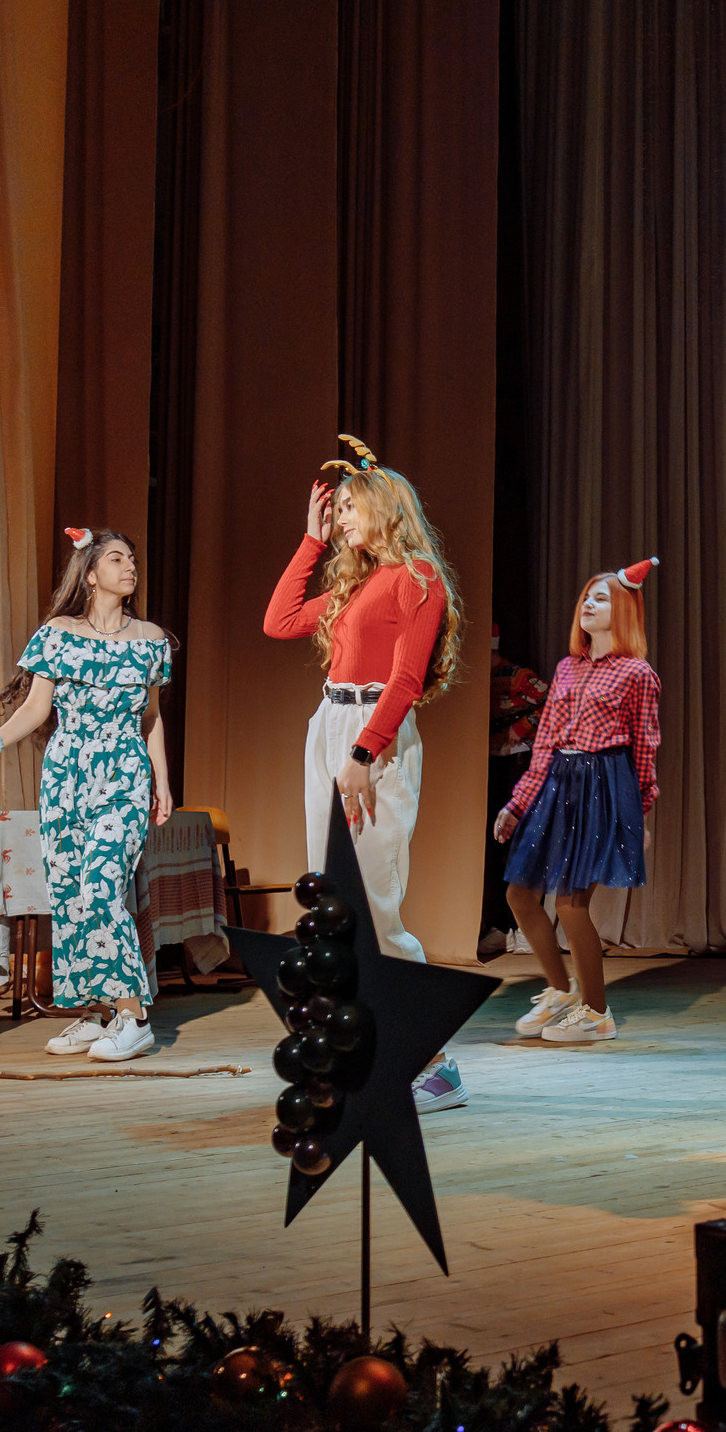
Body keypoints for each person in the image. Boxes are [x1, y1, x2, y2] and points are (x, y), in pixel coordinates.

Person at [264, 436, 470, 1110]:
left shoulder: (417, 580)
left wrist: (362, 754)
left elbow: (407, 678)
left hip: (371, 739)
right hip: (328, 726)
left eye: (351, 507)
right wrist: (311, 542)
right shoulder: (356, 585)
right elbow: (278, 621)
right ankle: (368, 1051)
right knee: (335, 907)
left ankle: (436, 1062)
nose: (343, 517)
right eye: (339, 509)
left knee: (376, 906)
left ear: (386, 508)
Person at [0, 527, 174, 1062]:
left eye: (133, 559)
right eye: (117, 559)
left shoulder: (151, 639)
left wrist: (162, 781)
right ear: (91, 573)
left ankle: (133, 1016)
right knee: (71, 894)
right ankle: (95, 1014)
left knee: (101, 885)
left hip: (122, 773)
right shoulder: (58, 633)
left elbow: (151, 718)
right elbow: (35, 709)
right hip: (66, 774)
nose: (130, 567)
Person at [492, 559, 663, 1045]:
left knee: (570, 904)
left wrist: (640, 812)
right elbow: (544, 742)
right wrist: (518, 804)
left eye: (601, 598)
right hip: (558, 785)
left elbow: (645, 747)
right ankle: (560, 991)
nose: (588, 604)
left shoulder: (638, 675)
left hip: (603, 787)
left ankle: (596, 1011)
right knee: (520, 894)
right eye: (586, 597)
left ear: (625, 609)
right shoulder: (567, 668)